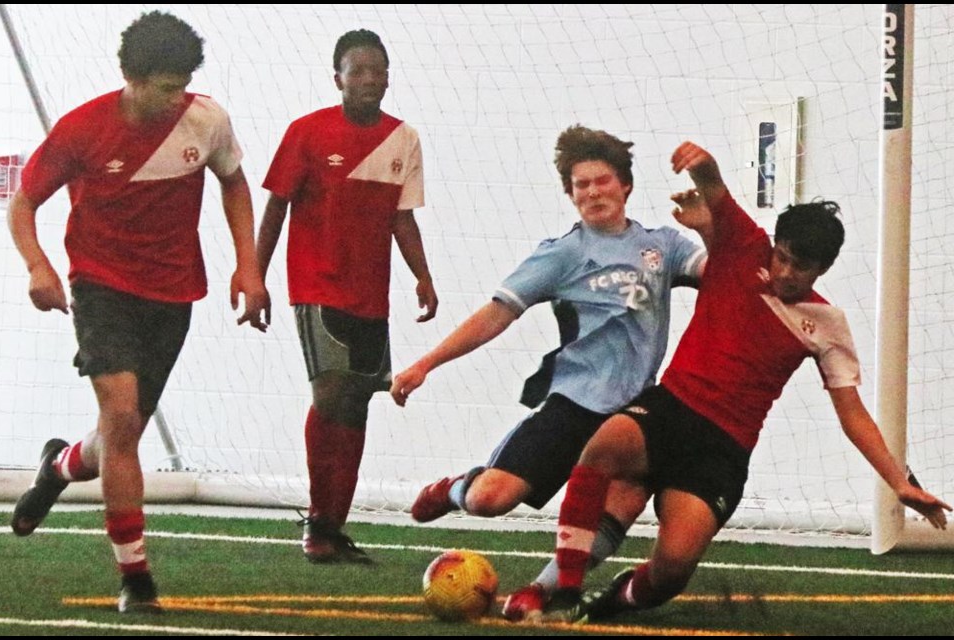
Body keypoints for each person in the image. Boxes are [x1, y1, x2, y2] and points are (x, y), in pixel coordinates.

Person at [538, 141, 951, 623]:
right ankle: (564, 591)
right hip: (670, 407)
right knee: (603, 445)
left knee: (673, 569)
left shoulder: (827, 324)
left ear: (823, 270)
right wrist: (702, 162)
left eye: (802, 267)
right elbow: (713, 187)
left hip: (723, 448)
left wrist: (898, 482)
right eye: (782, 257)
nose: (786, 272)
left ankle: (613, 599)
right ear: (774, 246)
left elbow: (852, 411)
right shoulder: (742, 245)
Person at [7, 11, 270, 614]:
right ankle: (136, 577)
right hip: (100, 285)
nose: (176, 98)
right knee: (122, 418)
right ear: (130, 75)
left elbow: (233, 182)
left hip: (174, 292)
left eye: (182, 85)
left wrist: (248, 267)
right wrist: (39, 267)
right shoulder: (82, 130)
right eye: (164, 87)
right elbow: (22, 204)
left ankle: (60, 467)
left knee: (118, 435)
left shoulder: (207, 120)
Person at [391, 125, 708, 620]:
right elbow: (496, 313)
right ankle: (455, 488)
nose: (592, 192)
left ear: (625, 185)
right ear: (571, 194)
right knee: (491, 500)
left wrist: (711, 224)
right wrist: (426, 363)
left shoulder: (662, 246)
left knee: (620, 506)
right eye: (581, 185)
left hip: (634, 415)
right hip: (574, 402)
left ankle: (541, 590)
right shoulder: (562, 254)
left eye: (601, 181)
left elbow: (720, 274)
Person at [257, 29, 438, 564]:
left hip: (371, 296)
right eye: (356, 70)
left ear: (388, 77)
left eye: (376, 70)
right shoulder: (307, 133)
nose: (367, 79)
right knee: (330, 394)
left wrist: (422, 276)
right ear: (336, 78)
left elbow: (401, 216)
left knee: (359, 402)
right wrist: (254, 275)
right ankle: (316, 521)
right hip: (316, 286)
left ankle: (335, 526)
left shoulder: (403, 139)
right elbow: (275, 208)